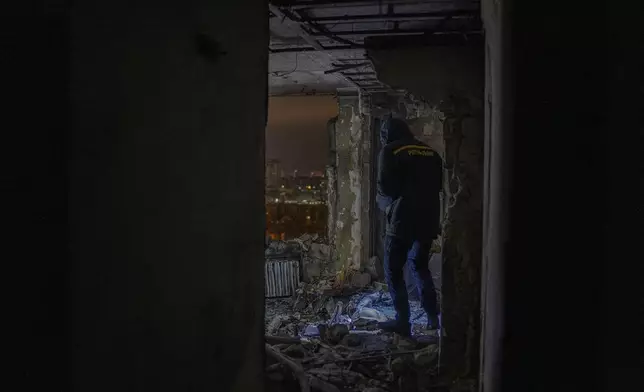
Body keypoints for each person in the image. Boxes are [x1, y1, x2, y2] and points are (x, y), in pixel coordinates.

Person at [376, 117, 443, 337]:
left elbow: (386, 188)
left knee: (394, 270)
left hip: (402, 219)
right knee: (419, 265)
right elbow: (439, 186)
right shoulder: (431, 152)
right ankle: (433, 318)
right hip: (429, 218)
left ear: (387, 134)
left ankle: (403, 323)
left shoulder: (390, 151)